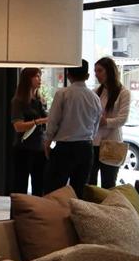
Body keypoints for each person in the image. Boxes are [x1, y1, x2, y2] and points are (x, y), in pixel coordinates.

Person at [43, 60, 102, 198]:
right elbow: (96, 125)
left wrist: (47, 141)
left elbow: (53, 120)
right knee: (79, 192)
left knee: (54, 190)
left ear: (68, 75)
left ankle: (55, 212)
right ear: (87, 76)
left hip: (65, 148)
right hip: (86, 148)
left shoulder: (63, 94)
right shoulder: (95, 98)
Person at [90, 57, 131, 189]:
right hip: (94, 142)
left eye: (100, 71)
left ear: (109, 71)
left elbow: (123, 119)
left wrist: (105, 122)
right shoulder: (96, 92)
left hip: (112, 143)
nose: (96, 74)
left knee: (109, 184)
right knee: (90, 184)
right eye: (95, 71)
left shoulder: (124, 93)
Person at [10, 67, 48, 196]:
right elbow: (18, 126)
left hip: (40, 148)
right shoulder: (18, 101)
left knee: (39, 186)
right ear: (27, 79)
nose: (39, 79)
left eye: (40, 76)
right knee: (20, 186)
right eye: (36, 76)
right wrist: (38, 121)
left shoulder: (39, 100)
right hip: (24, 148)